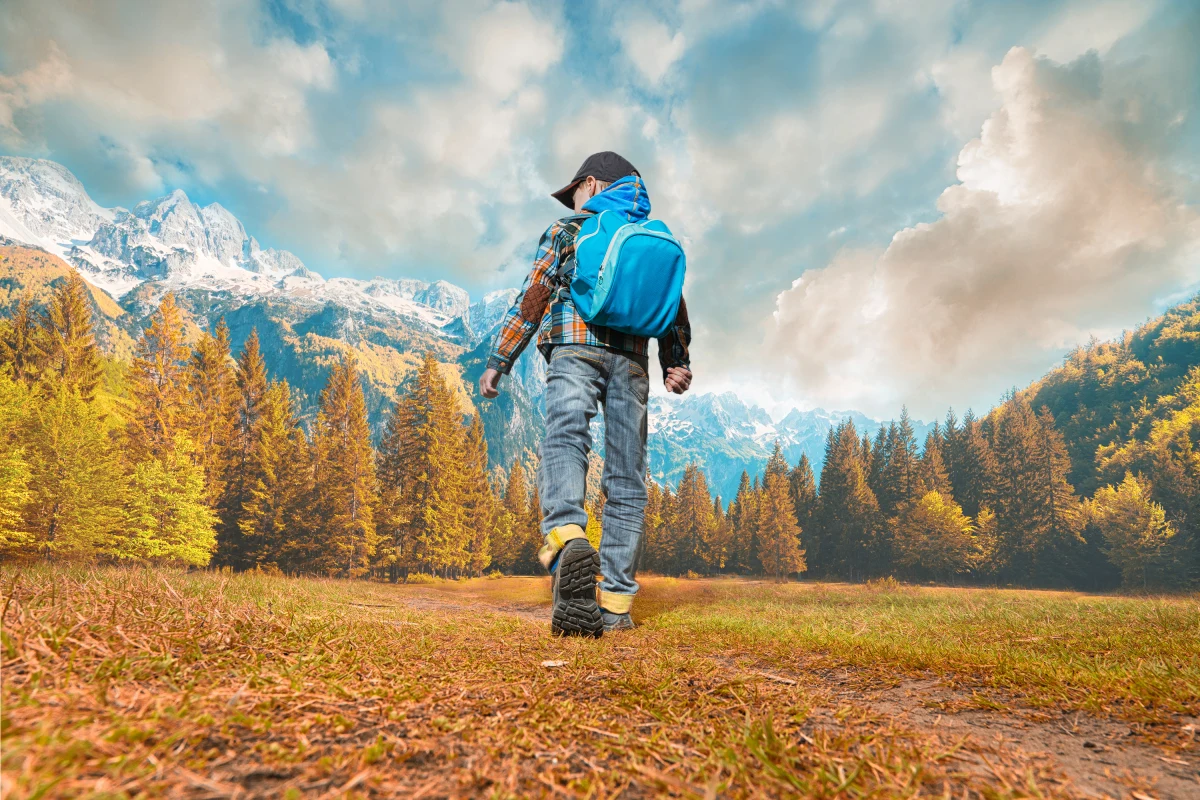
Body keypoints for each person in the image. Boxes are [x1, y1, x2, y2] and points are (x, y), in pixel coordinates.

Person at [479, 151, 692, 637]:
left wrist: (500, 359)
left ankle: (568, 536)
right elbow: (672, 304)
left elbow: (534, 294)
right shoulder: (652, 239)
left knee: (566, 439)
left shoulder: (567, 231)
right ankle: (616, 604)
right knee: (627, 475)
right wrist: (676, 362)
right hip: (634, 362)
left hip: (575, 346)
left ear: (592, 185)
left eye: (574, 191)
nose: (573, 201)